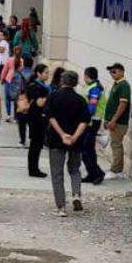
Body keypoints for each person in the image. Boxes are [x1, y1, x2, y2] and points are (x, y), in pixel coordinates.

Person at [46, 70, 91, 216]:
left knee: (57, 173)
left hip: (56, 140)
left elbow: (51, 118)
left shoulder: (53, 97)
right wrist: (74, 137)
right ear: (76, 83)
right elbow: (84, 121)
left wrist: (62, 134)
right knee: (75, 169)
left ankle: (61, 207)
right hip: (75, 142)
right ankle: (76, 194)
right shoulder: (80, 100)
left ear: (61, 81)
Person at [104, 63, 131, 180]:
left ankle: (115, 170)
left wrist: (114, 120)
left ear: (121, 72)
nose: (112, 74)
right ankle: (118, 169)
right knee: (115, 145)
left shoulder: (124, 86)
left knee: (116, 145)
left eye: (114, 72)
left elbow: (122, 104)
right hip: (113, 121)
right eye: (110, 72)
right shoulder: (116, 85)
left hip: (119, 123)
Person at [24, 63, 52, 177]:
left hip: (42, 118)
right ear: (38, 73)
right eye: (45, 73)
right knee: (35, 144)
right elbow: (39, 103)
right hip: (35, 118)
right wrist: (49, 97)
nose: (47, 75)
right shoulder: (34, 86)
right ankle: (33, 169)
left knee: (38, 144)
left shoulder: (44, 86)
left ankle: (35, 168)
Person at [80, 66, 107, 184]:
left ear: (86, 76)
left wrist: (84, 117)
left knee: (86, 148)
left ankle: (97, 173)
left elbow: (92, 106)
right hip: (90, 120)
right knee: (88, 148)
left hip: (92, 121)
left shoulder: (95, 88)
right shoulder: (91, 86)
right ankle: (92, 173)